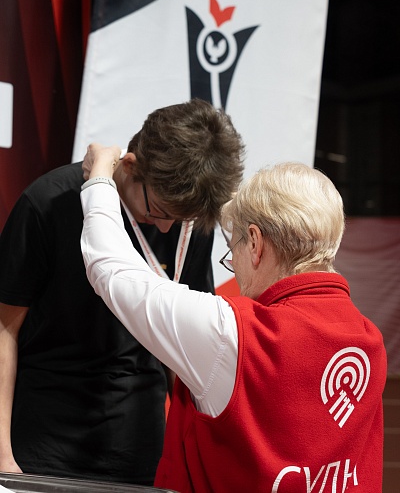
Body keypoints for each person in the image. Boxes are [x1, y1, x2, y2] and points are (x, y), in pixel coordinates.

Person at [80, 146, 387, 493]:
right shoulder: (369, 340)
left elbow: (112, 270)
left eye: (233, 250)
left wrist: (100, 175)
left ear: (255, 243)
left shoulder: (234, 335)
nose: (235, 267)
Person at [0, 99, 245, 485]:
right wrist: (3, 455)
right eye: (158, 211)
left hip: (140, 445)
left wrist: (194, 455)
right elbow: (4, 329)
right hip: (46, 441)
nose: (164, 229)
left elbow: (182, 346)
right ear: (130, 165)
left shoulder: (187, 221)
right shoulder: (49, 201)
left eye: (179, 219)